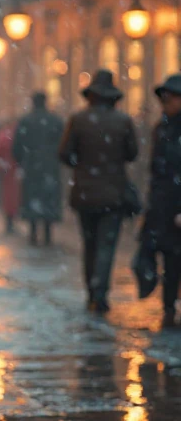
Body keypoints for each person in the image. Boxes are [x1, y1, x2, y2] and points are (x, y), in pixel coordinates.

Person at [59, 69, 138, 314]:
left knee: (89, 244)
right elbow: (132, 153)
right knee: (107, 245)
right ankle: (101, 291)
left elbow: (64, 153)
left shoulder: (78, 119)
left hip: (85, 193)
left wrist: (82, 166)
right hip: (113, 193)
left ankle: (92, 291)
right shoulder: (123, 121)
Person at [140, 74, 181, 326]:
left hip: (176, 203)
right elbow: (157, 169)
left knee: (174, 256)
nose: (165, 103)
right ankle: (168, 306)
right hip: (164, 204)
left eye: (170, 98)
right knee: (170, 255)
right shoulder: (162, 127)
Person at [12, 92, 63, 246]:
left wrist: (22, 160)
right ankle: (48, 232)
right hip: (50, 166)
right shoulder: (55, 121)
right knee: (48, 198)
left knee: (32, 197)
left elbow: (17, 146)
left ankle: (33, 231)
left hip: (31, 165)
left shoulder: (26, 121)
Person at [0, 120, 21, 234]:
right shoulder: (15, 135)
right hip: (14, 171)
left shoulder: (3, 135)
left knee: (9, 198)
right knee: (13, 198)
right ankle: (11, 223)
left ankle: (10, 223)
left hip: (7, 171)